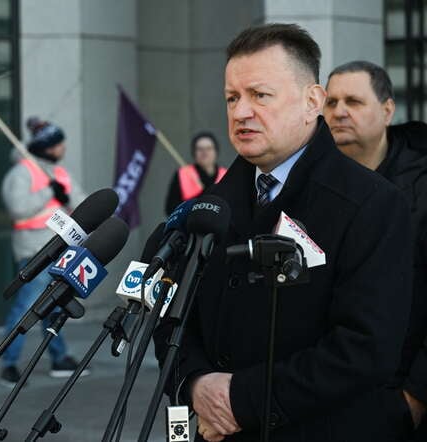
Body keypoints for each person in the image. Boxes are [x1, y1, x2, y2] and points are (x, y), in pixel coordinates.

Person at [154, 24, 412, 441]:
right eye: (232, 98)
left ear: (312, 102)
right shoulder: (210, 207)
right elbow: (171, 316)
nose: (240, 113)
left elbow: (365, 349)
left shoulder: (374, 204)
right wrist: (195, 385)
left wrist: (242, 400)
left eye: (260, 95)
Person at [324, 60, 427, 440]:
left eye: (353, 101)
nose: (339, 112)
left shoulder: (421, 185)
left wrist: (416, 397)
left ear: (387, 110)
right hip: (327, 398)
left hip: (402, 400)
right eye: (331, 102)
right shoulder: (311, 184)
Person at [0, 116, 87, 387]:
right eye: (59, 143)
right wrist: (47, 192)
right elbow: (17, 207)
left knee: (54, 306)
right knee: (26, 308)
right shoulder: (22, 172)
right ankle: (8, 365)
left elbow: (83, 204)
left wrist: (66, 196)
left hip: (62, 250)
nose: (63, 147)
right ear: (48, 146)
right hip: (35, 250)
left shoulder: (60, 172)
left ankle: (59, 357)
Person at [164, 131, 228, 215]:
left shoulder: (226, 175)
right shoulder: (182, 174)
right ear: (194, 153)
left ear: (216, 151)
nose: (204, 153)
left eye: (208, 148)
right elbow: (170, 208)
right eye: (200, 149)